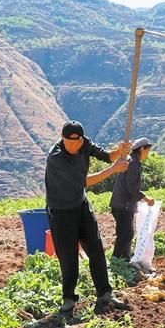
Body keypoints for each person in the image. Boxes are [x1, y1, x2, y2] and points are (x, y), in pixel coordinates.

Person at [45, 120, 132, 315]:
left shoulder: (85, 144)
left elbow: (107, 156)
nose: (73, 146)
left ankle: (104, 294)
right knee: (68, 256)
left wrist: (119, 151)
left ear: (82, 140)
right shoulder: (56, 158)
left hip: (80, 204)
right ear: (62, 139)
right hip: (61, 211)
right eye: (69, 142)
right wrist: (114, 170)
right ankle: (69, 299)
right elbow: (83, 182)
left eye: (76, 142)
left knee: (96, 249)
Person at [110, 137, 155, 259]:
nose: (148, 153)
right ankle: (115, 260)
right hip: (123, 204)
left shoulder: (132, 160)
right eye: (147, 150)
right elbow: (131, 187)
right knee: (126, 234)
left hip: (121, 203)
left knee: (126, 233)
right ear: (142, 149)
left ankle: (125, 259)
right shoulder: (134, 163)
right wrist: (146, 198)